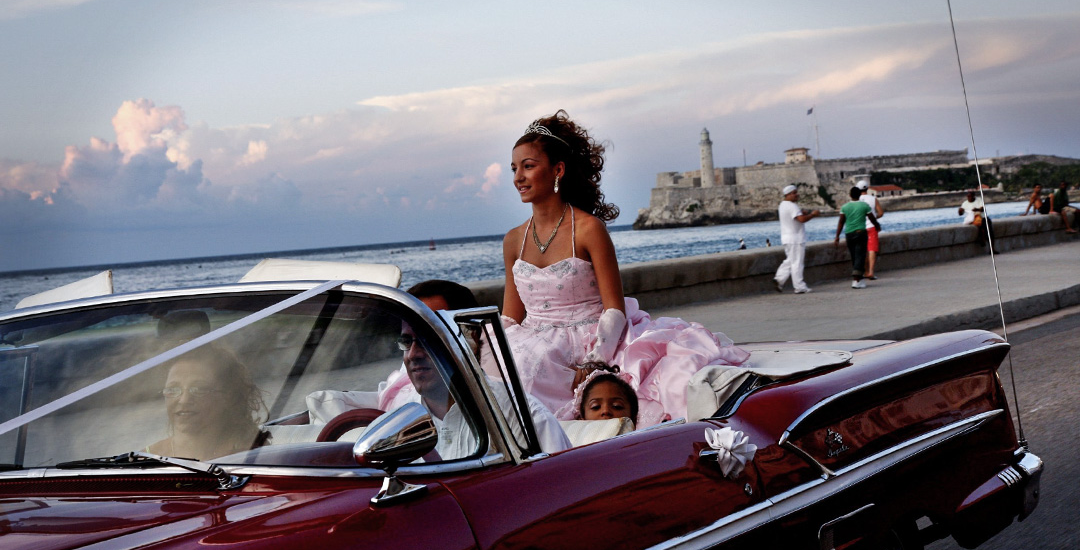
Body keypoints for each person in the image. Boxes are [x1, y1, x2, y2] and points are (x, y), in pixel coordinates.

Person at [501, 110, 748, 427]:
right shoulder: (513, 241)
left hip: (590, 339)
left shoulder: (589, 229)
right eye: (514, 169)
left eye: (528, 166)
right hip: (530, 342)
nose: (518, 177)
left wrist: (596, 360)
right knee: (508, 372)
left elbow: (613, 308)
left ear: (558, 170)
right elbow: (510, 317)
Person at [307, 281, 571, 457]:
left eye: (428, 341)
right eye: (407, 341)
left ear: (471, 340)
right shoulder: (395, 420)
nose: (413, 355)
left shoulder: (525, 419)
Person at [149, 344, 268, 461]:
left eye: (199, 389)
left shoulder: (255, 455)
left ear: (229, 396)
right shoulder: (146, 460)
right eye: (172, 389)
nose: (184, 400)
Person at [773, 184, 819, 294]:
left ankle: (779, 279)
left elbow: (795, 217)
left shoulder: (782, 205)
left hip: (787, 237)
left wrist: (802, 213)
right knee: (797, 262)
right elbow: (801, 219)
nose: (796, 195)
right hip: (795, 238)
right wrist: (813, 214)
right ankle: (799, 286)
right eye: (794, 193)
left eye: (796, 192)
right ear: (787, 195)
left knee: (790, 260)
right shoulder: (792, 206)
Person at [834, 186, 882, 289]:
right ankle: (856, 280)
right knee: (860, 255)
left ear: (850, 195)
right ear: (860, 195)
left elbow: (841, 222)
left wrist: (837, 236)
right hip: (860, 233)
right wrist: (877, 226)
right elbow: (872, 218)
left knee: (854, 256)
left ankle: (859, 278)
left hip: (849, 234)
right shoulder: (864, 206)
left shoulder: (845, 207)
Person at [857, 179, 884, 279]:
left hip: (860, 228)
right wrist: (873, 218)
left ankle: (864, 272)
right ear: (867, 188)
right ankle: (871, 272)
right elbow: (881, 213)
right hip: (871, 227)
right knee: (872, 249)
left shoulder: (856, 200)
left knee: (863, 250)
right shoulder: (873, 199)